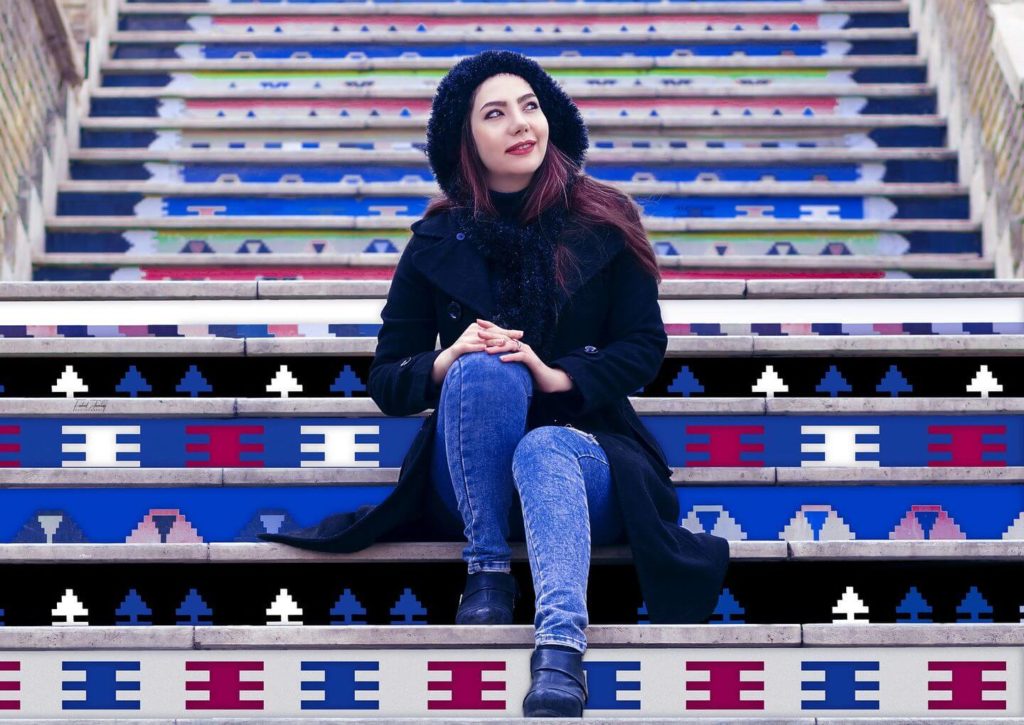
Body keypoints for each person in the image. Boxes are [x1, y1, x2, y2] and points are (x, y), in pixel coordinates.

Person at [260, 49, 729, 718]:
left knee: (544, 446)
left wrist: (552, 372)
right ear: (467, 139)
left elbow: (643, 346)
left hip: (587, 462)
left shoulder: (605, 218)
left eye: (531, 106)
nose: (520, 123)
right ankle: (486, 573)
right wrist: (448, 358)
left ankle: (560, 653)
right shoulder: (435, 240)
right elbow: (388, 378)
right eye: (496, 113)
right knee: (484, 366)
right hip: (470, 482)